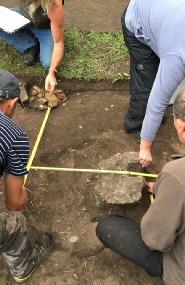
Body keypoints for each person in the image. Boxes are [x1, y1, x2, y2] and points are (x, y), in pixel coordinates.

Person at [0, 68, 53, 283]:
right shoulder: (13, 133)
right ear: (13, 102)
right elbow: (13, 203)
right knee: (16, 221)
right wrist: (21, 191)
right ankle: (24, 268)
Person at [96, 90, 185, 285]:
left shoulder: (177, 175)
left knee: (107, 226)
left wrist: (171, 188)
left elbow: (156, 240)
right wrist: (167, 188)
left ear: (181, 127)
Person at [121, 0, 185, 167]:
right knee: (147, 85)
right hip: (137, 18)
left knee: (161, 73)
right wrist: (145, 148)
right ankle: (135, 124)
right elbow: (157, 103)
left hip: (162, 16)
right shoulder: (176, 57)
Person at [0, 0, 64, 93]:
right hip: (24, 16)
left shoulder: (53, 5)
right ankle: (30, 45)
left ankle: (37, 39)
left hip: (44, 29)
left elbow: (58, 43)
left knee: (48, 63)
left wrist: (51, 73)